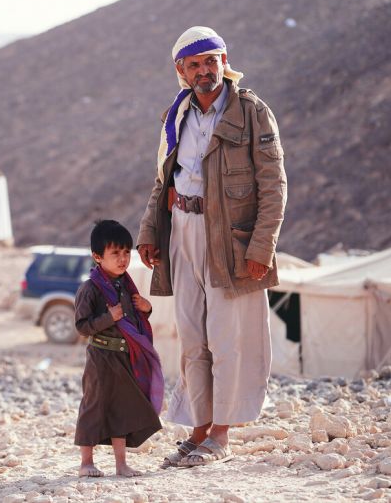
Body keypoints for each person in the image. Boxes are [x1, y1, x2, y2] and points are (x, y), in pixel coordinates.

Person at [136, 26, 287, 468]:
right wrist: (149, 231)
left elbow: (273, 184)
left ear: (225, 60)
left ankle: (221, 435)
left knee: (228, 337)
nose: (205, 71)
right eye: (195, 64)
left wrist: (262, 245)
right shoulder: (175, 115)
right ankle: (198, 430)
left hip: (231, 240)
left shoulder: (252, 112)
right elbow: (164, 180)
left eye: (211, 60)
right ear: (181, 71)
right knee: (191, 337)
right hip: (181, 229)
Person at [74, 220, 164, 477]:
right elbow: (82, 326)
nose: (123, 259)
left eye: (126, 252)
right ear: (97, 256)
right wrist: (108, 318)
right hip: (100, 357)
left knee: (122, 409)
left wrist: (147, 309)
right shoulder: (89, 288)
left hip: (124, 356)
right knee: (94, 406)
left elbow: (134, 322)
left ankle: (121, 464)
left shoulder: (126, 286)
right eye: (115, 253)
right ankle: (86, 463)